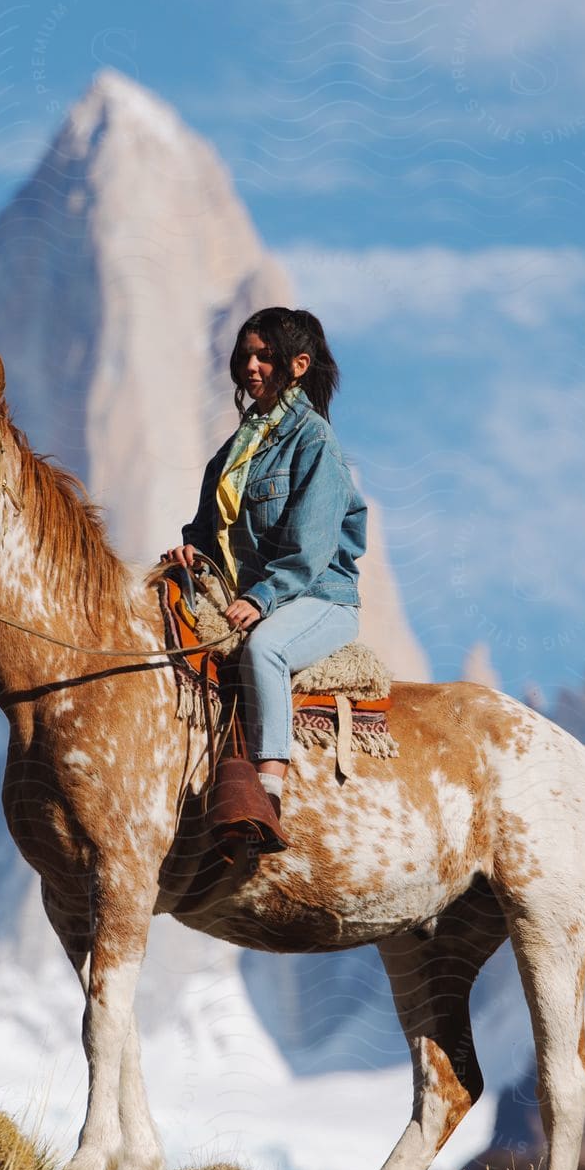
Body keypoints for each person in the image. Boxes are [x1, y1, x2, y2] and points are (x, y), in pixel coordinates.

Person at [161, 307, 367, 842]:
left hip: (319, 598)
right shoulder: (235, 450)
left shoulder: (314, 441)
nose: (251, 366)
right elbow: (207, 527)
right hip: (248, 592)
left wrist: (262, 598)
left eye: (265, 356)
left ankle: (267, 791)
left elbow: (310, 548)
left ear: (298, 365)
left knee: (265, 650)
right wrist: (189, 553)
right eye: (245, 355)